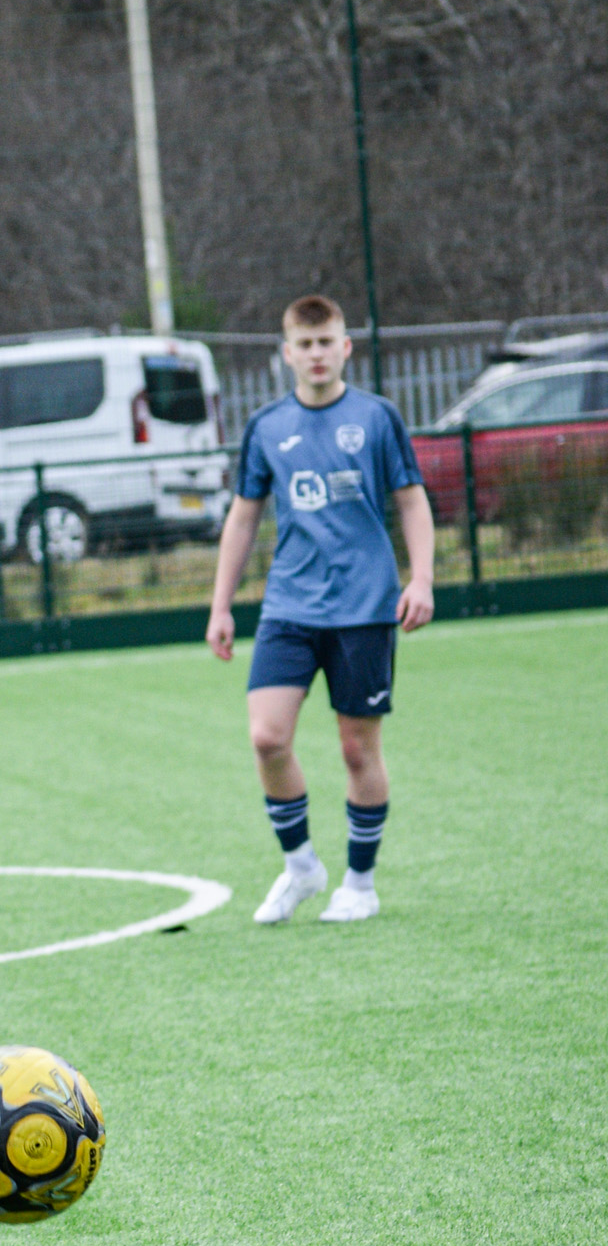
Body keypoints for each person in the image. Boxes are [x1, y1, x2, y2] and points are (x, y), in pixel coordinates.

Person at [206, 294, 435, 924]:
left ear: (345, 347)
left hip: (364, 606)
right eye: (304, 344)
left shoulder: (377, 417)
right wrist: (221, 605)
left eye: (325, 342)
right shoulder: (267, 426)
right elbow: (245, 517)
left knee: (358, 750)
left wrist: (422, 579)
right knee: (267, 736)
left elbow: (411, 501)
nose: (315, 354)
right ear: (286, 353)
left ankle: (360, 883)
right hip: (289, 605)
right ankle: (302, 866)